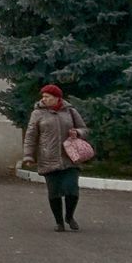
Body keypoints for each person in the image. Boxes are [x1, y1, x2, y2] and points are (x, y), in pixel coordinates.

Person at [22, 84, 90, 232]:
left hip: (70, 157)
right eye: (43, 96)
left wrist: (77, 132)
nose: (44, 99)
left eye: (47, 96)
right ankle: (59, 222)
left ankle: (69, 216)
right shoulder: (37, 113)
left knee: (72, 190)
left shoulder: (70, 111)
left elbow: (84, 129)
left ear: (57, 98)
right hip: (48, 158)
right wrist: (28, 155)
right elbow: (30, 136)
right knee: (54, 192)